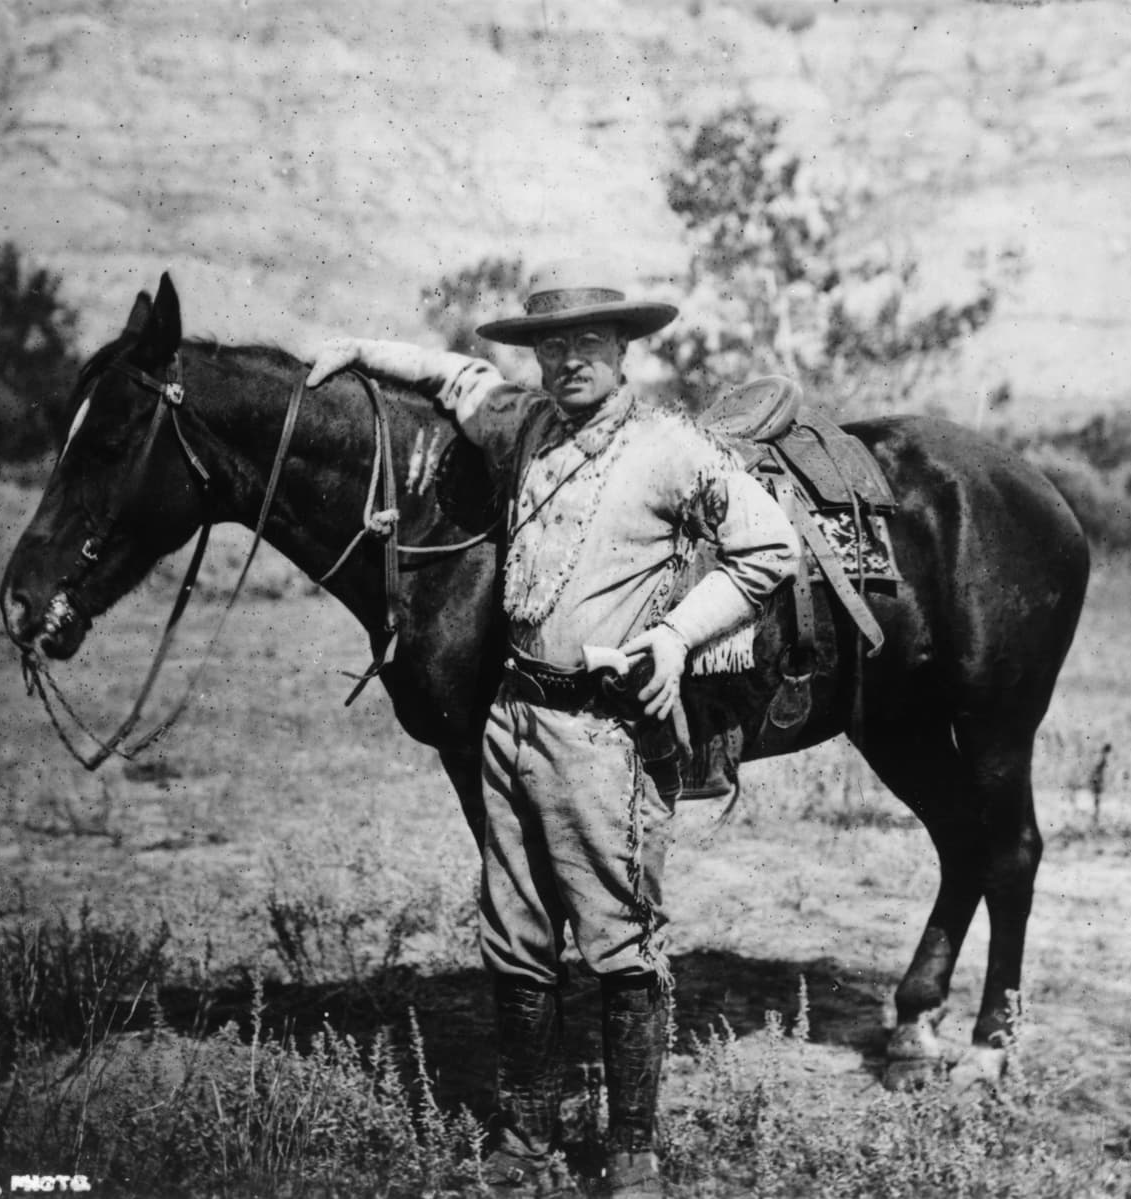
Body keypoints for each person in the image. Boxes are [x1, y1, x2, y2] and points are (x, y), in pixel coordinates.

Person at [307, 261, 798, 1197]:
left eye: (586, 345)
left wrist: (672, 637)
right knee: (515, 934)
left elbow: (769, 546)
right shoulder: (523, 425)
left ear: (622, 351)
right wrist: (358, 351)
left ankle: (631, 1157)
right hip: (511, 720)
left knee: (621, 945)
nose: (568, 361)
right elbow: (455, 378)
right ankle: (525, 1143)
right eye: (550, 347)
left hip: (602, 735)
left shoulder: (671, 450)